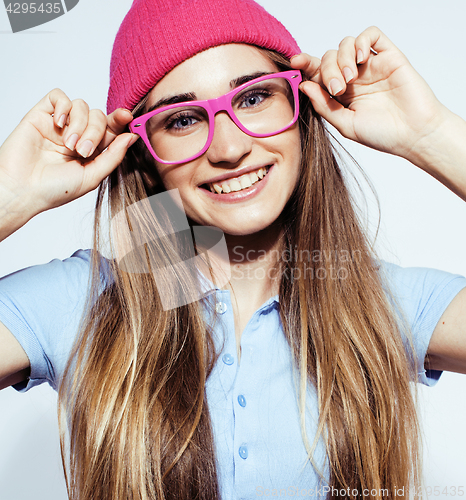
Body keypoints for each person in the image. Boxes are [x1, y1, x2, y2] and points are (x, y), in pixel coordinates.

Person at [0, 0, 465, 498]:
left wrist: (432, 135)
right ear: (143, 154)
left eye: (252, 97)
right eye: (182, 120)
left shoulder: (378, 304)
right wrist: (7, 197)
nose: (227, 148)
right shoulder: (81, 302)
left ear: (300, 107)